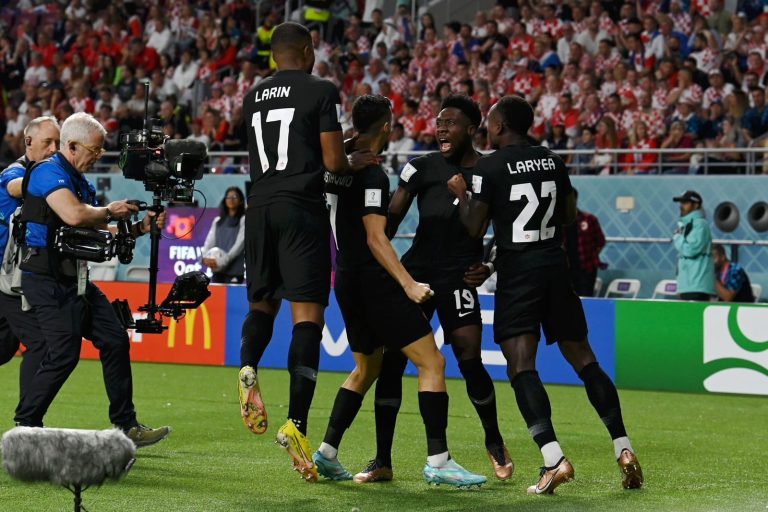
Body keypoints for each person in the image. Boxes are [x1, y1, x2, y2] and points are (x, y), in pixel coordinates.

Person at [447, 95, 643, 494]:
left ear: (500, 127)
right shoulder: (553, 160)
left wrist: (462, 193)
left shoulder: (488, 166)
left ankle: (553, 459)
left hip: (520, 275)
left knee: (521, 366)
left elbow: (473, 227)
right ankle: (623, 448)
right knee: (585, 359)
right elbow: (568, 214)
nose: (488, 128)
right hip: (555, 267)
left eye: (490, 123)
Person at [313, 94, 486, 488]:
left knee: (366, 368)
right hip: (376, 284)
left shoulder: (333, 168)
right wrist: (407, 283)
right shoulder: (373, 174)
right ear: (388, 127)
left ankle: (327, 452)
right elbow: (378, 237)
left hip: (345, 280)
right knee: (433, 363)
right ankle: (439, 461)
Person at [238, 22, 375, 482]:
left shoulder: (253, 95)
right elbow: (332, 162)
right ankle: (296, 424)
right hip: (301, 210)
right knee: (307, 318)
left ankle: (248, 366)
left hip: (258, 206)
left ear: (275, 55)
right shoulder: (321, 89)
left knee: (262, 303)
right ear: (308, 49)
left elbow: (285, 149)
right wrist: (352, 158)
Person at [354, 95, 512, 485]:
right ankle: (382, 459)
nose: (441, 128)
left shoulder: (489, 171)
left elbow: (504, 231)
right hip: (418, 276)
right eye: (439, 122)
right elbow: (388, 221)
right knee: (393, 362)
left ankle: (493, 440)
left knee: (469, 359)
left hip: (459, 276)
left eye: (452, 122)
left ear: (473, 128)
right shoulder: (420, 167)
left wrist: (489, 264)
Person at [13, 113, 171, 447]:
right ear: (71, 146)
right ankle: (26, 425)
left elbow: (98, 226)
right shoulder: (46, 172)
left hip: (76, 278)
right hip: (45, 278)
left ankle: (125, 425)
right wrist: (111, 211)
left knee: (114, 339)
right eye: (94, 151)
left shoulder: (78, 179)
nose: (97, 157)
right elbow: (75, 214)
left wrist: (141, 227)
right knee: (64, 353)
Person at [0, 116, 59, 415]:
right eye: (47, 142)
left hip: (13, 278)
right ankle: (28, 423)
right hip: (5, 278)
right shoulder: (16, 171)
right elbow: (13, 187)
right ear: (27, 143)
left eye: (57, 144)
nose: (53, 149)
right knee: (40, 344)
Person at [673, 190, 715, 301]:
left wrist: (677, 237)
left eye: (686, 203)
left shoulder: (700, 224)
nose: (681, 206)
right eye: (681, 203)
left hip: (697, 285)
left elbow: (690, 250)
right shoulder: (687, 224)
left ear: (696, 205)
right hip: (689, 285)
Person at [563, 188, 606, 297]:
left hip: (586, 269)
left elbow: (600, 241)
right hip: (565, 269)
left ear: (575, 200)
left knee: (586, 299)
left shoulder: (589, 219)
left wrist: (592, 256)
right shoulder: (557, 222)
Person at [201, 186, 245, 284]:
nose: (231, 199)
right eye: (228, 197)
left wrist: (222, 261)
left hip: (235, 272)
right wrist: (203, 258)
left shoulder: (244, 220)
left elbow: (239, 246)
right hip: (218, 272)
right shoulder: (217, 221)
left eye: (235, 197)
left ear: (241, 201)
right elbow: (209, 243)